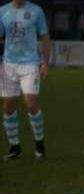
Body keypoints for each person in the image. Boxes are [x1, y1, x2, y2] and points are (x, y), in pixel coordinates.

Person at [0, 0, 50, 160]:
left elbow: (45, 36)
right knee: (8, 106)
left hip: (30, 63)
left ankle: (40, 144)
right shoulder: (3, 11)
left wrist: (45, 63)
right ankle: (15, 147)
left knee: (31, 103)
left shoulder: (36, 10)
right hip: (8, 64)